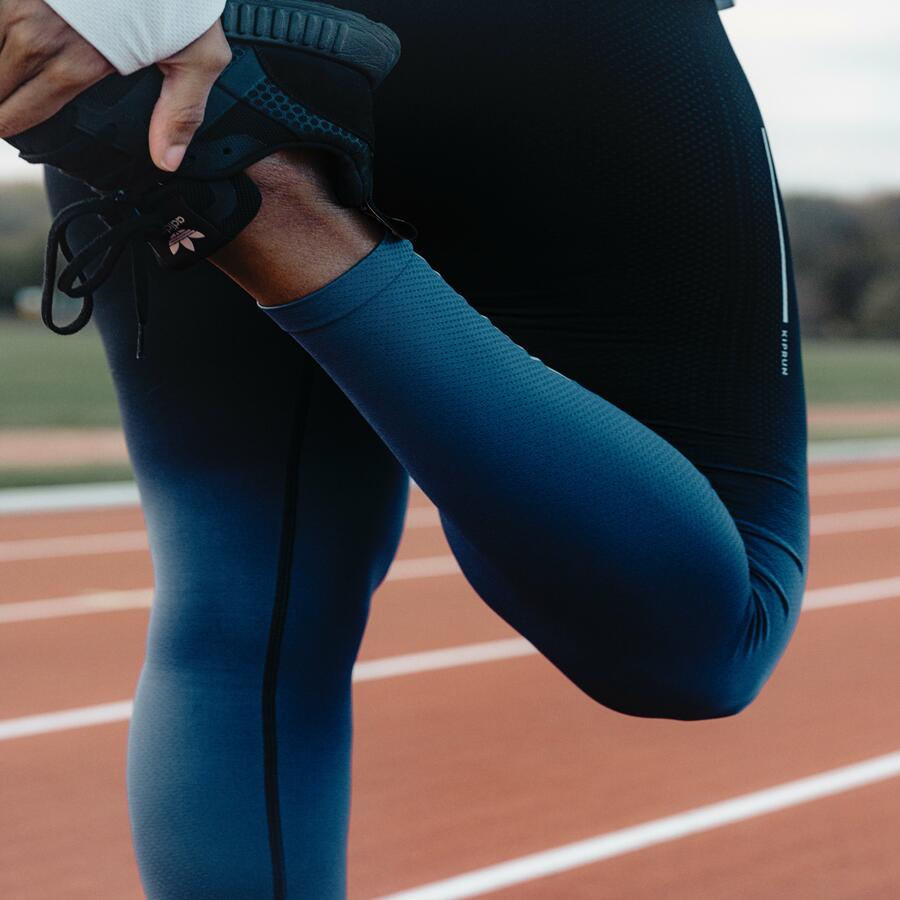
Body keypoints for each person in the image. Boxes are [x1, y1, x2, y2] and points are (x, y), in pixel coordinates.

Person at [0, 0, 809, 896]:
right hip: (546, 38)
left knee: (243, 609)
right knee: (708, 636)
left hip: (167, 67)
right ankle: (277, 214)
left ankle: (236, 187)